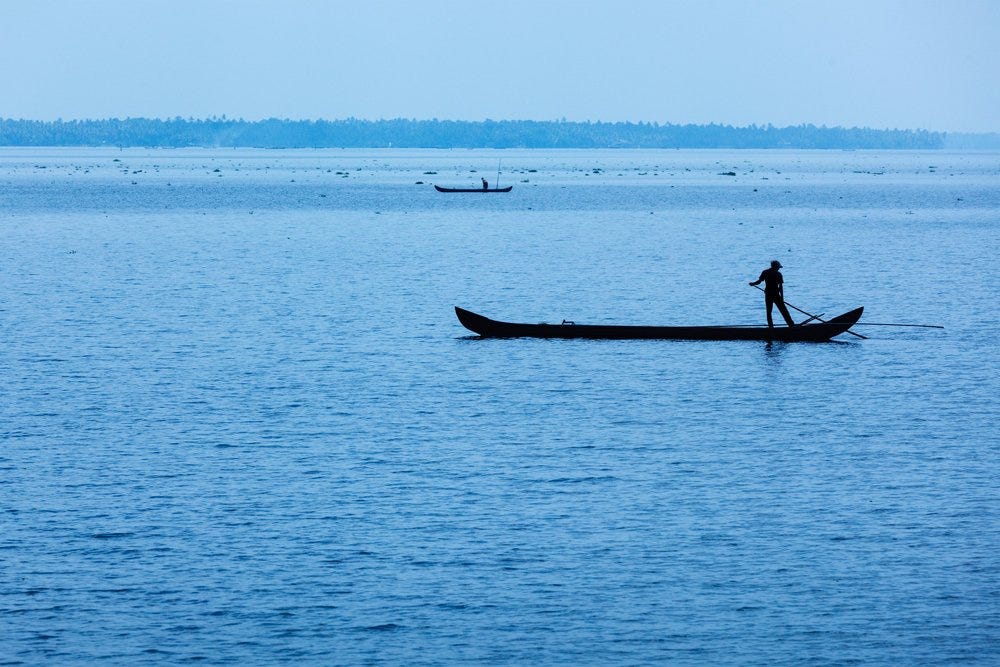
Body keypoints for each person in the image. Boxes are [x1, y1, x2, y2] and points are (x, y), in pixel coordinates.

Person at [749, 260, 795, 327]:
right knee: (783, 310)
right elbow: (781, 287)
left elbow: (759, 281)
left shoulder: (765, 272)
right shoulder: (778, 274)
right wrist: (782, 298)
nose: (779, 268)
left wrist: (753, 284)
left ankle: (771, 326)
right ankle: (791, 324)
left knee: (769, 311)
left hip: (768, 294)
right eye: (778, 267)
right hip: (776, 294)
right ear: (776, 267)